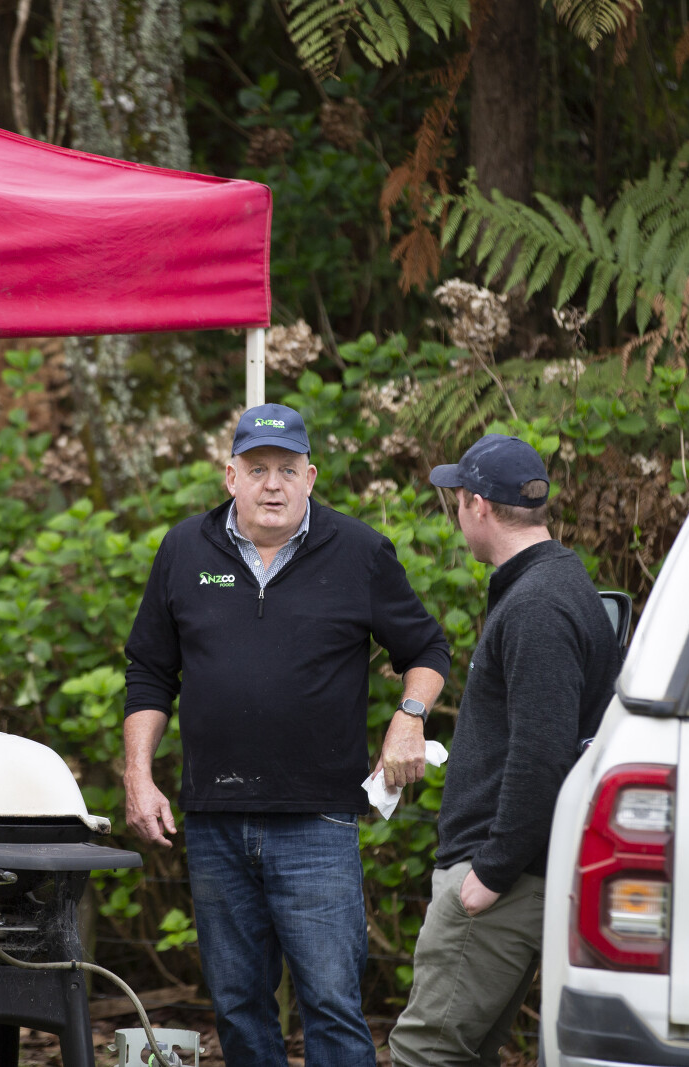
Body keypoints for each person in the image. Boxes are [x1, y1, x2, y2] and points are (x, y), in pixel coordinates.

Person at [124, 403, 452, 1067]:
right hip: (215, 820)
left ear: (310, 477)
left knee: (331, 1004)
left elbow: (426, 650)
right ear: (230, 477)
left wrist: (409, 717)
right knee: (237, 1006)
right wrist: (138, 774)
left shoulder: (360, 552)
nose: (272, 484)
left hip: (316, 822)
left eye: (286, 469)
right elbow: (149, 672)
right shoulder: (183, 551)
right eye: (257, 469)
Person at [388, 435, 622, 1067]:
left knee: (424, 1054)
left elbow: (543, 754)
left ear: (477, 504)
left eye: (457, 500)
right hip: (516, 871)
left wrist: (490, 874)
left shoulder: (538, 604)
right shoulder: (555, 583)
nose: (457, 513)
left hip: (503, 880)